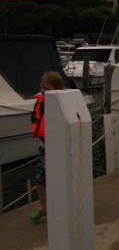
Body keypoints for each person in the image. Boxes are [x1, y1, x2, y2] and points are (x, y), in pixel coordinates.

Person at [29, 71, 65, 221]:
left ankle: (63, 207)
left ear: (56, 87)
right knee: (39, 178)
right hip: (44, 147)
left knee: (61, 179)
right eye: (41, 87)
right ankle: (44, 207)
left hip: (59, 148)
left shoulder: (64, 101)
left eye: (46, 88)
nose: (43, 91)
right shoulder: (40, 102)